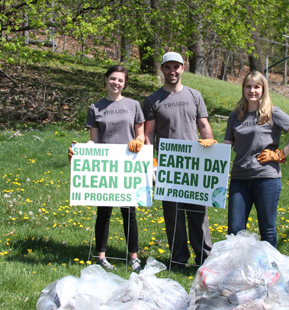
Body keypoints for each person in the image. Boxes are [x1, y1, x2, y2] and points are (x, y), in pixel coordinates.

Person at [69, 65, 145, 271]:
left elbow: (141, 134)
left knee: (129, 212)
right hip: (106, 166)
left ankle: (134, 257)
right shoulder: (95, 108)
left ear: (124, 83)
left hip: (129, 164)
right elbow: (94, 140)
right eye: (113, 79)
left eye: (120, 80)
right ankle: (101, 256)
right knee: (104, 212)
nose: (116, 83)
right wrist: (81, 151)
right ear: (105, 80)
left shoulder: (134, 105)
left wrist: (138, 142)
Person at [143, 52, 216, 269]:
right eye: (168, 67)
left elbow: (203, 125)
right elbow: (148, 134)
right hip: (168, 164)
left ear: (183, 68)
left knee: (198, 213)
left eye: (176, 67)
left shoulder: (194, 95)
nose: (172, 71)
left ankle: (204, 258)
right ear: (162, 69)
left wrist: (210, 144)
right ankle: (178, 259)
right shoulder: (153, 100)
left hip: (194, 164)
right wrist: (152, 161)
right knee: (173, 216)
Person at [222, 70, 289, 248]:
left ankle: (270, 270)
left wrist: (281, 154)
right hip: (240, 179)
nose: (252, 91)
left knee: (267, 230)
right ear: (243, 89)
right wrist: (209, 145)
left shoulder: (272, 113)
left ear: (263, 89)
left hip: (266, 179)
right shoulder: (236, 116)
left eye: (257, 87)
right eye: (248, 86)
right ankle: (236, 270)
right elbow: (226, 145)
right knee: (234, 231)